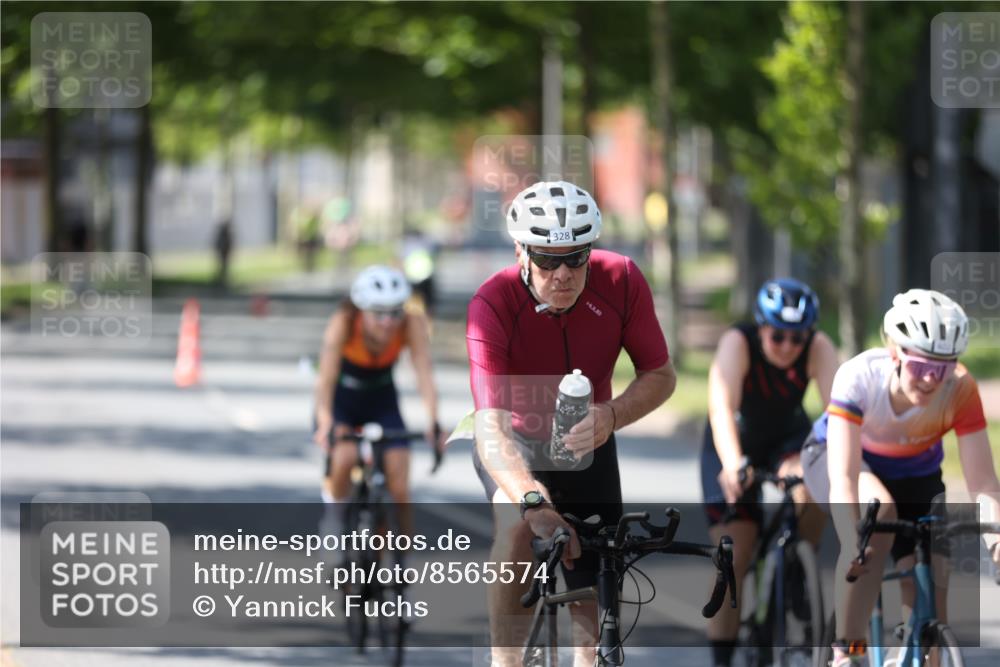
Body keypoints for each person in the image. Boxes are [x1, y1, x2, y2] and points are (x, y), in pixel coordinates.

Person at [467, 180, 677, 667]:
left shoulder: (622, 280)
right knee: (516, 528)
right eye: (546, 260)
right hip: (515, 441)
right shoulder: (492, 302)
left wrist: (612, 414)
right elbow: (490, 429)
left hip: (588, 441)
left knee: (595, 596)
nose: (562, 274)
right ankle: (506, 661)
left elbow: (661, 376)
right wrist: (533, 502)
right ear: (521, 252)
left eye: (576, 258)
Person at [801, 289, 1000, 666]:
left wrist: (996, 540)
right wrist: (851, 539)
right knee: (878, 515)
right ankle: (847, 651)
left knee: (932, 585)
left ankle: (918, 652)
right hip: (842, 459)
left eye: (943, 368)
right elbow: (844, 478)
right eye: (920, 366)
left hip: (915, 471)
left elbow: (984, 483)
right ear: (895, 352)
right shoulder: (859, 377)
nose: (930, 379)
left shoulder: (960, 390)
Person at [700, 278, 839, 667]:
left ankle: (798, 568)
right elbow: (721, 409)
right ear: (761, 327)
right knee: (734, 555)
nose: (788, 346)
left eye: (797, 338)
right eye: (778, 336)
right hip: (733, 442)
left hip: (787, 439)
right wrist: (733, 464)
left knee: (812, 484)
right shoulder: (737, 343)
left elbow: (840, 412)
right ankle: (722, 659)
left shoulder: (819, 347)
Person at [313, 265, 446, 542]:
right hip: (342, 399)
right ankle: (334, 521)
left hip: (382, 398)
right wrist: (325, 421)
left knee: (399, 481)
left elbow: (424, 373)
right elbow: (325, 379)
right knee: (345, 456)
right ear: (362, 310)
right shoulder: (344, 321)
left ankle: (396, 557)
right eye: (378, 313)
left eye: (395, 312)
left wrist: (434, 421)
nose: (388, 322)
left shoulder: (411, 322)